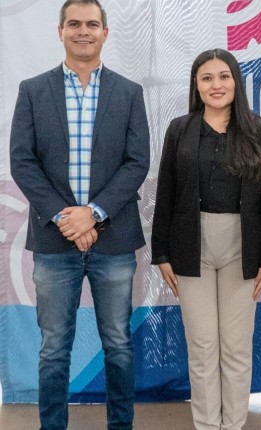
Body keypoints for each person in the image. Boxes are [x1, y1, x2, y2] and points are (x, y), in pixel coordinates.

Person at [8, 1, 149, 428]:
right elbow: (22, 161)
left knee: (119, 344)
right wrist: (65, 217)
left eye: (91, 24)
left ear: (105, 32)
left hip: (114, 239)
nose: (83, 31)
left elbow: (137, 162)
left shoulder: (129, 92)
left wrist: (94, 214)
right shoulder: (33, 90)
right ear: (60, 31)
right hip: (54, 240)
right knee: (53, 349)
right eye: (74, 24)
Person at [151, 48, 261, 430]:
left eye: (224, 76)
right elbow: (166, 191)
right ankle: (208, 426)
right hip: (191, 245)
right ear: (196, 85)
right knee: (203, 346)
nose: (216, 85)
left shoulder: (260, 130)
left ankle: (233, 425)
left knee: (236, 347)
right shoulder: (180, 129)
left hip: (243, 246)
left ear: (236, 82)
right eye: (206, 78)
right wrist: (161, 252)